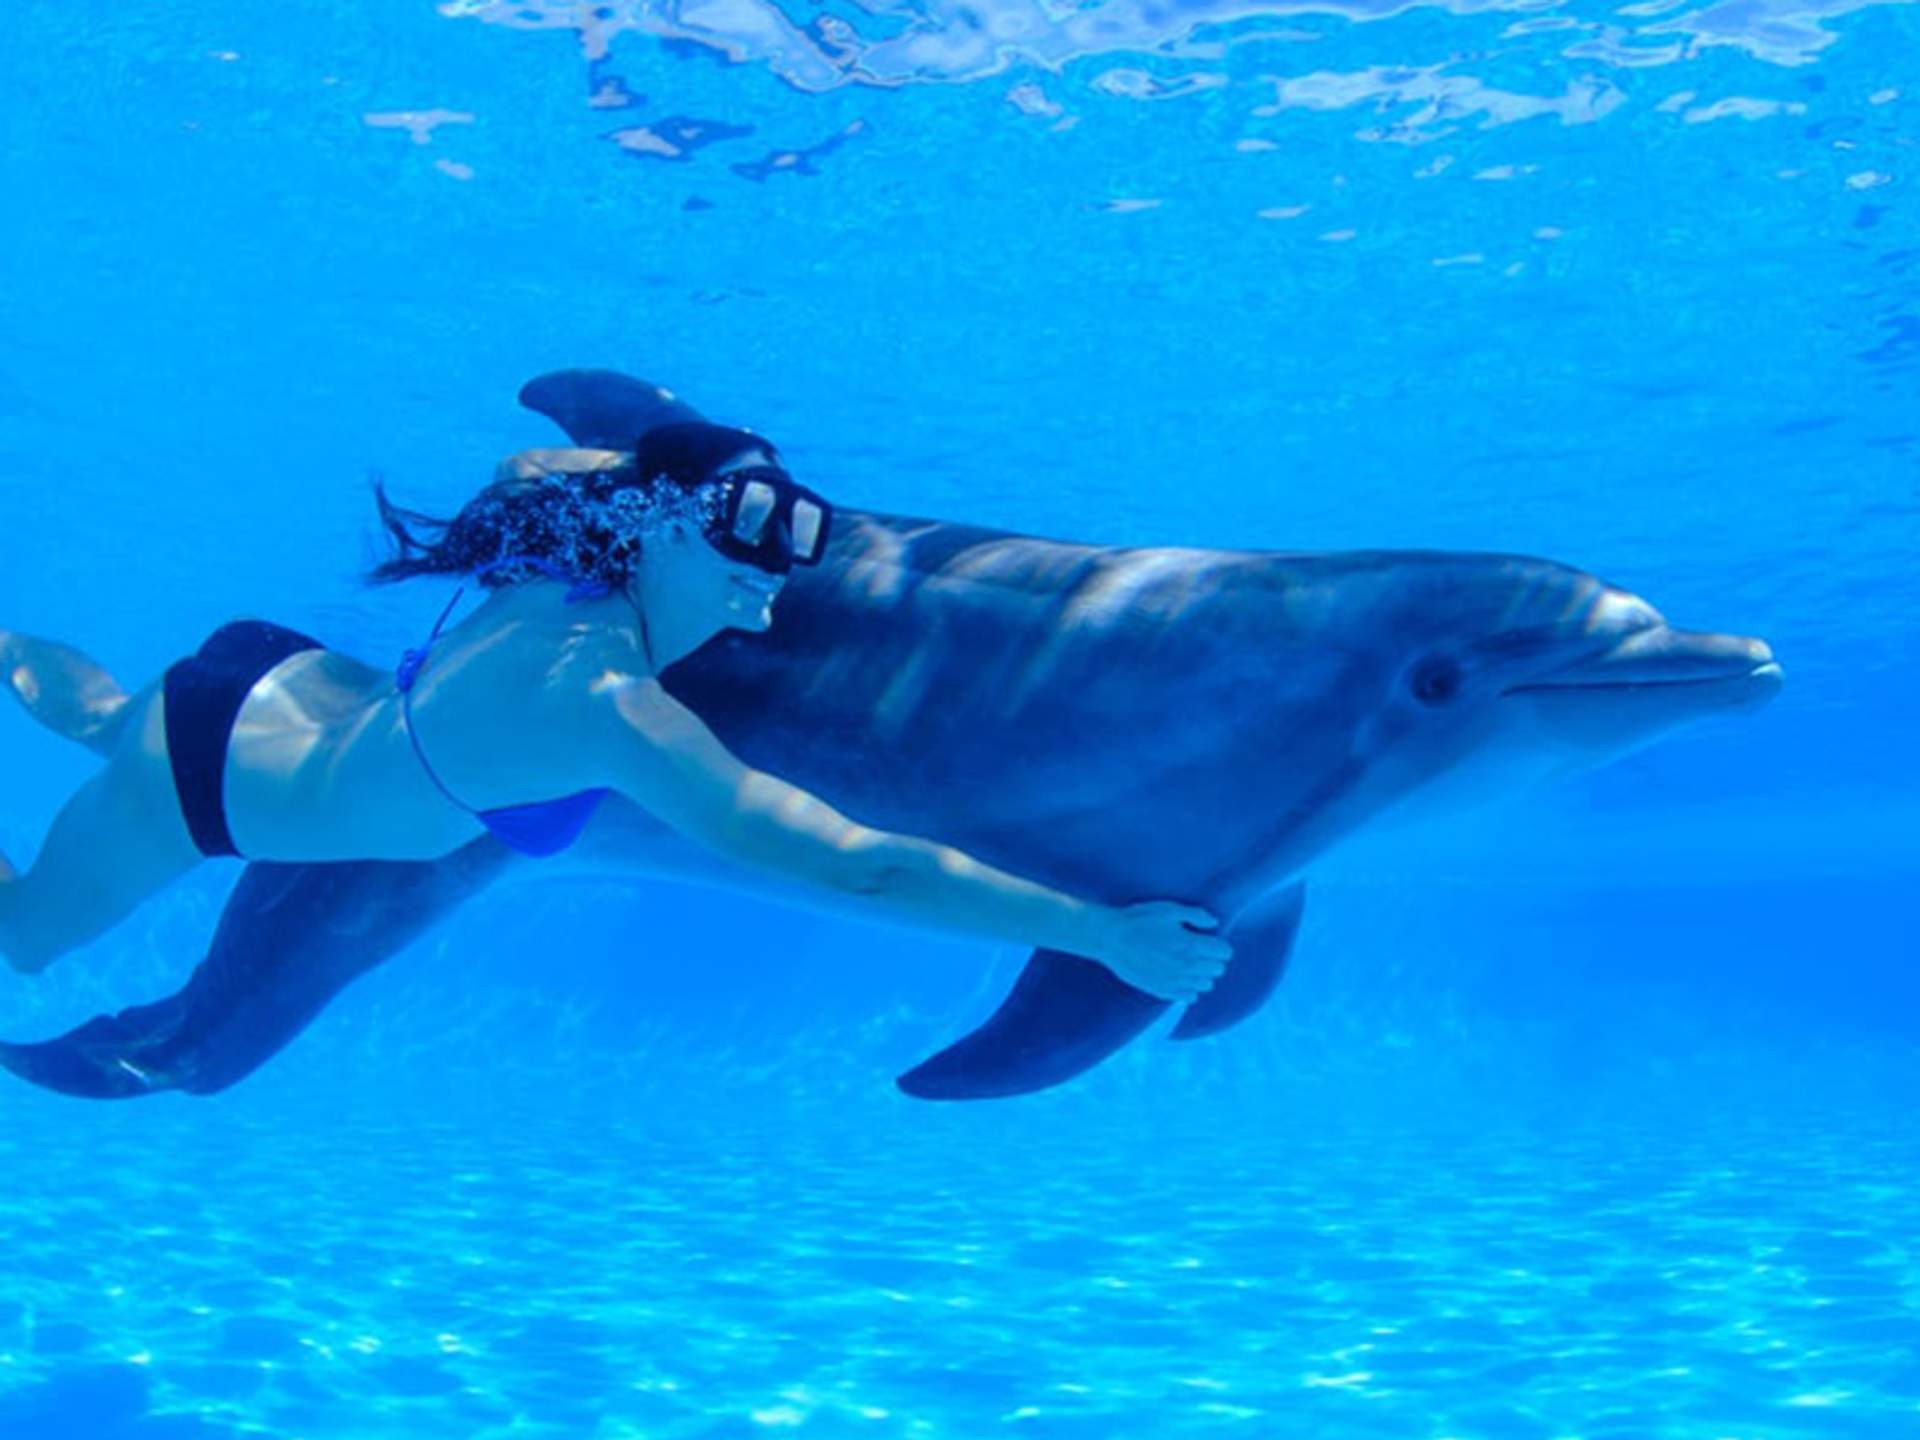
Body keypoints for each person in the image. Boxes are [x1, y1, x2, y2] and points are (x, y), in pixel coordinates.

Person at [1, 421, 1229, 1001]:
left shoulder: (566, 556)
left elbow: (529, 469)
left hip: (269, 680)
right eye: (740, 551)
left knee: (108, 712)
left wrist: (680, 479)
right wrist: (1099, 936)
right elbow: (862, 871)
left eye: (782, 557)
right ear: (658, 532)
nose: (765, 588)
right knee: (26, 939)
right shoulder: (606, 708)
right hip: (211, 787)